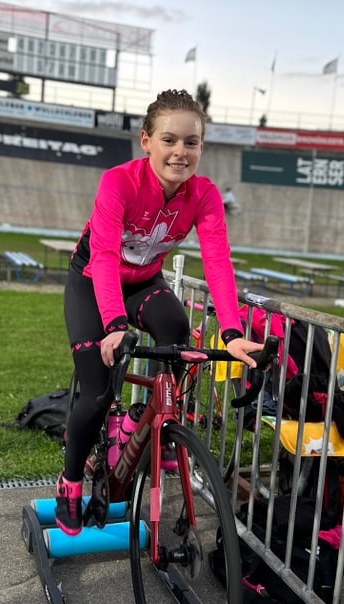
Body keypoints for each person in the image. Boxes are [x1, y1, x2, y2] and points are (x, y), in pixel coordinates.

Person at [55, 89, 264, 536]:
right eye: (169, 140)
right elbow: (106, 254)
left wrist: (231, 331)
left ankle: (149, 420)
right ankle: (70, 481)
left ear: (201, 147)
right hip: (93, 281)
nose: (180, 152)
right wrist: (113, 324)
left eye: (191, 142)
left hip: (144, 283)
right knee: (95, 390)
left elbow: (218, 262)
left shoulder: (204, 194)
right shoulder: (118, 182)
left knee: (176, 331)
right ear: (145, 141)